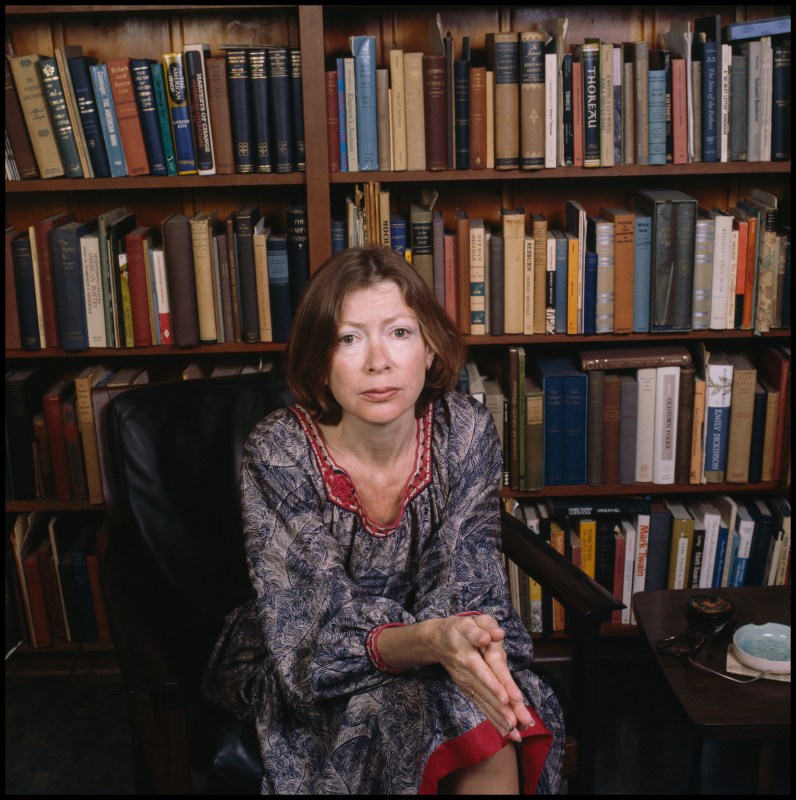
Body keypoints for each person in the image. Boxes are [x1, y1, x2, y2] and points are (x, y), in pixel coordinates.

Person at [203, 245, 564, 794]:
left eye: (399, 332)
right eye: (349, 339)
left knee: (487, 704)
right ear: (320, 362)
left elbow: (467, 579)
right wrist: (433, 643)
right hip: (306, 655)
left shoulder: (464, 429)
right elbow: (312, 634)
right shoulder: (278, 449)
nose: (379, 361)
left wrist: (464, 642)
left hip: (442, 642)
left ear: (430, 349)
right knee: (422, 704)